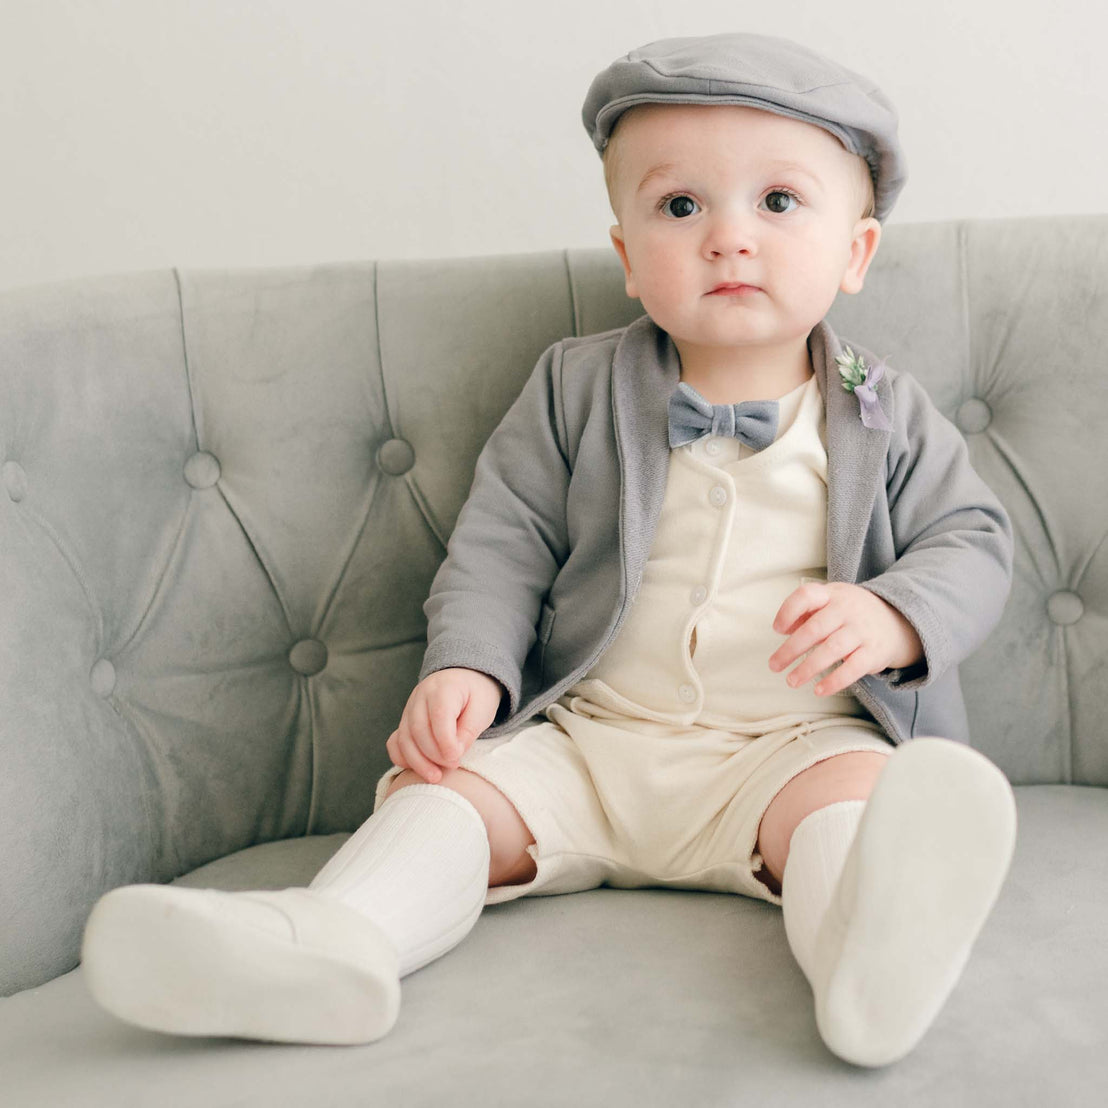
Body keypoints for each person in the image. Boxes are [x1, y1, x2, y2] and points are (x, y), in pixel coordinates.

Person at [81, 32, 1018, 1068]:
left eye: (779, 203)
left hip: (789, 749)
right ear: (624, 255)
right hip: (592, 736)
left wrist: (892, 614)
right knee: (446, 799)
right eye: (679, 206)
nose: (728, 239)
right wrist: (465, 667)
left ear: (856, 253)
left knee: (857, 806)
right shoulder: (576, 386)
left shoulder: (881, 407)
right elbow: (501, 544)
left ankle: (865, 957)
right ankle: (330, 941)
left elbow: (971, 539)